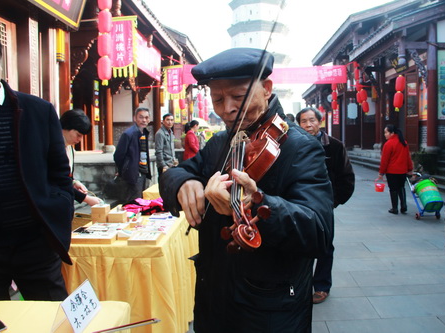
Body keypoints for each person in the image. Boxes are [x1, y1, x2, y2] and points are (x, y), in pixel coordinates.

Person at [159, 48, 333, 333]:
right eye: (217, 99)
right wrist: (182, 183)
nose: (227, 109)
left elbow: (319, 232)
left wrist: (258, 203)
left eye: (238, 97)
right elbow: (178, 171)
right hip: (214, 299)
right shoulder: (220, 143)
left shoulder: (300, 147)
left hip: (271, 308)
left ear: (267, 89)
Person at [0, 36, 74, 301]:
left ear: (0, 64)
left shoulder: (37, 110)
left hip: (35, 240)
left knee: (53, 315)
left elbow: (60, 173)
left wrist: (60, 206)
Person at [297, 107, 355, 304]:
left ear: (320, 122)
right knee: (299, 244)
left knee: (324, 245)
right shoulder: (292, 146)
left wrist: (333, 202)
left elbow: (346, 177)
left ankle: (321, 286)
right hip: (298, 204)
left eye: (312, 120)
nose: (308, 125)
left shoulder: (335, 146)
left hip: (323, 206)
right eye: (304, 121)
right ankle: (299, 285)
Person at [60, 109, 102, 206]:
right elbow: (59, 180)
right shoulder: (53, 147)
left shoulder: (69, 147)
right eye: (78, 135)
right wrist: (86, 199)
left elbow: (67, 174)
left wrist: (74, 182)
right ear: (65, 128)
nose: (80, 139)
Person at [113, 107, 152, 203]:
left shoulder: (144, 132)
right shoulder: (128, 134)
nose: (144, 120)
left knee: (141, 201)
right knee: (133, 202)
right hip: (133, 174)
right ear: (135, 118)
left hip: (143, 172)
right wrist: (123, 170)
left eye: (146, 117)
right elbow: (118, 155)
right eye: (141, 117)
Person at [376, 124, 413, 214]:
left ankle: (395, 208)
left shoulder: (388, 144)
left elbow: (385, 160)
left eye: (386, 132)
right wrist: (410, 168)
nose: (385, 134)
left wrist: (381, 172)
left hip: (392, 171)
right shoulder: (404, 142)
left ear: (392, 133)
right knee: (401, 187)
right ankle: (404, 206)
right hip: (402, 170)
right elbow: (408, 157)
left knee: (393, 189)